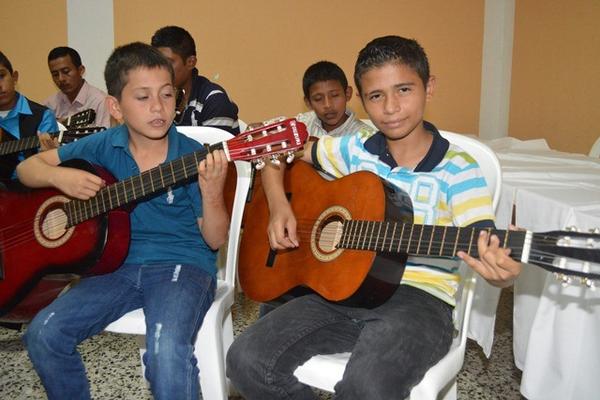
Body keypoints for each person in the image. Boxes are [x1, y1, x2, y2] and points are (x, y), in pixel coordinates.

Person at [226, 35, 522, 399]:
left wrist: (501, 273)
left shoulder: (459, 169)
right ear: (362, 100)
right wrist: (278, 205)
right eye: (376, 96)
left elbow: (484, 238)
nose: (391, 107)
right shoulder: (353, 150)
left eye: (403, 90)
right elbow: (278, 149)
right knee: (244, 359)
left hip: (420, 302)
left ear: (428, 88)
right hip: (337, 293)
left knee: (368, 386)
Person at [18, 42, 230, 400]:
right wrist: (61, 178)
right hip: (114, 266)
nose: (159, 107)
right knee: (43, 332)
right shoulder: (101, 146)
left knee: (165, 354)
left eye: (167, 95)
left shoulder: (193, 155)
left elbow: (214, 239)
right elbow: (26, 168)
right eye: (143, 97)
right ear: (115, 106)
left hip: (182, 264)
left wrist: (212, 194)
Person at [151, 25, 240, 134]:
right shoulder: (157, 99)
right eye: (157, 62)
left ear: (190, 62)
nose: (160, 69)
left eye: (168, 62)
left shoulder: (214, 99)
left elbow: (215, 149)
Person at [0, 51, 58, 185]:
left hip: (26, 193)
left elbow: (46, 172)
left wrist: (48, 156)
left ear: (14, 77)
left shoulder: (42, 116)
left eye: (1, 76)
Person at [296, 60, 374, 137]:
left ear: (347, 94)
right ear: (308, 103)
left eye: (335, 95)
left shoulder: (366, 138)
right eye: (318, 99)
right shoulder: (299, 126)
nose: (328, 105)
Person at [44, 46, 111, 128]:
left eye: (66, 72)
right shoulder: (49, 105)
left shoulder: (100, 101)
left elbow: (106, 139)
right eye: (55, 75)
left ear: (81, 70)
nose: (60, 79)